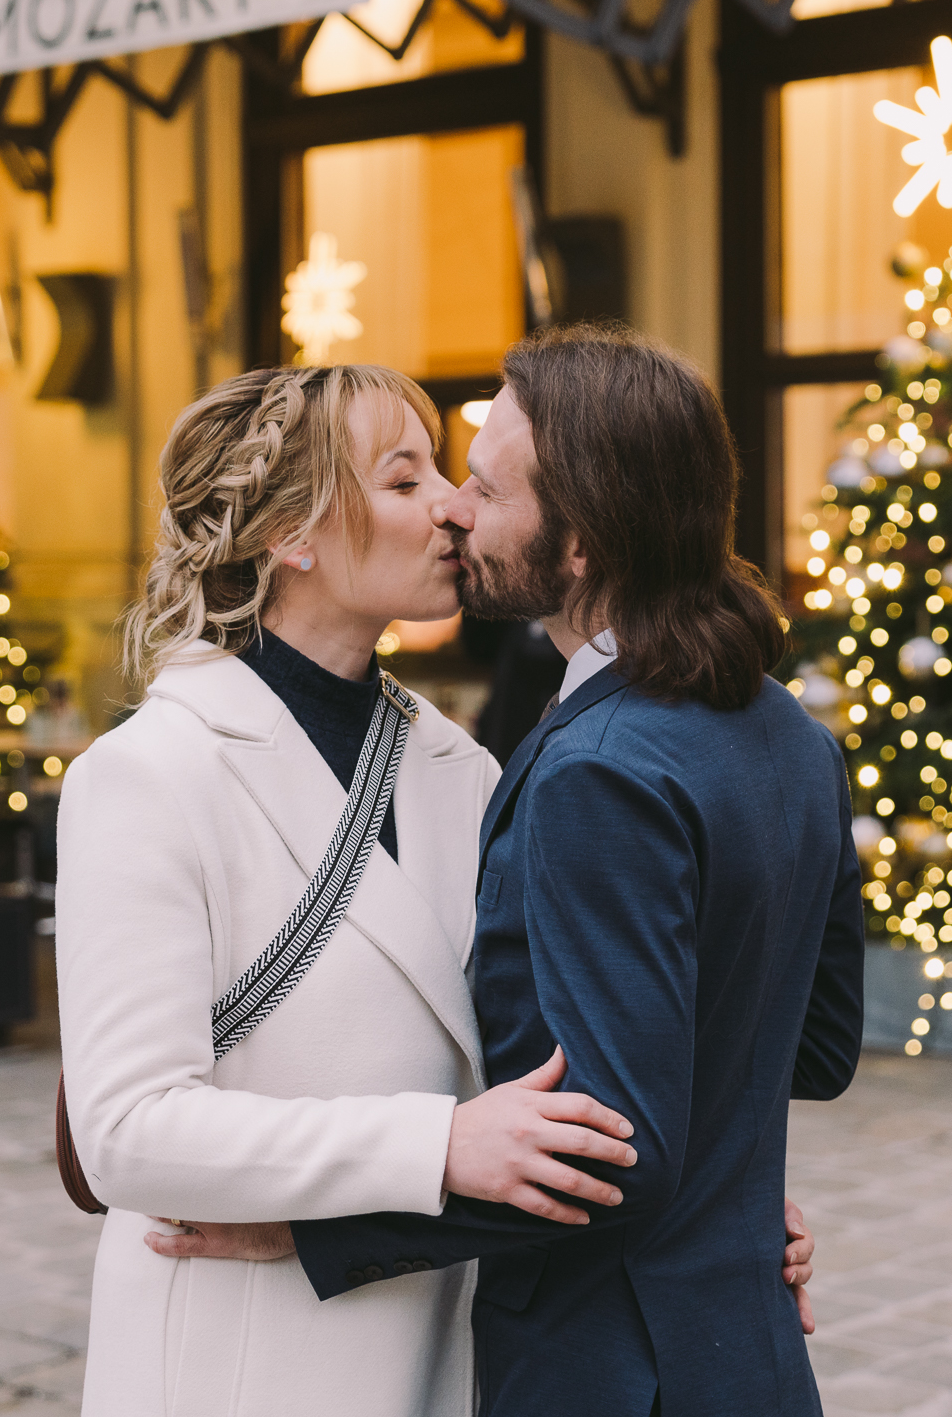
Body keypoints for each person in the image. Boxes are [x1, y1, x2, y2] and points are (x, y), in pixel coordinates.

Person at [54, 363, 815, 1417]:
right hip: (244, 1350)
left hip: (450, 1347)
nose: (454, 512)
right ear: (293, 535)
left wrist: (702, 1197)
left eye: (453, 481)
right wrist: (438, 1146)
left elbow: (586, 1058)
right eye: (406, 481)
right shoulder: (147, 776)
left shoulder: (468, 767)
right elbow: (127, 1131)